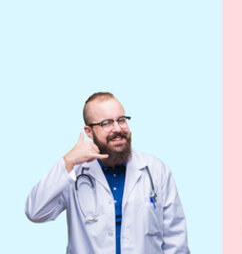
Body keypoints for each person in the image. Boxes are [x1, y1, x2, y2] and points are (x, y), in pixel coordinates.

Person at [25, 92, 190, 253]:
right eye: (106, 123)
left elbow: (175, 238)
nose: (117, 128)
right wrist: (67, 161)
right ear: (89, 131)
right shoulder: (74, 173)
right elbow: (35, 212)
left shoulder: (155, 170)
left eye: (121, 120)